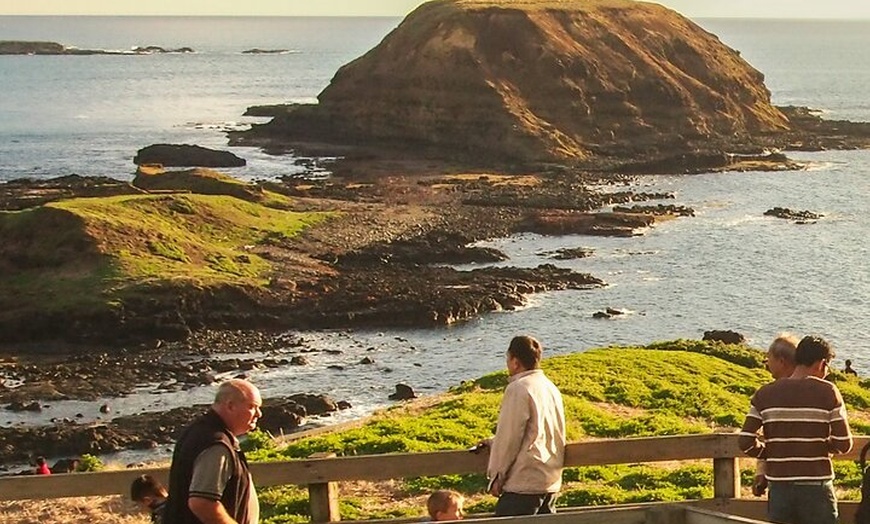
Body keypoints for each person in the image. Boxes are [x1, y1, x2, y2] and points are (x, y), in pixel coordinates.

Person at [738, 335, 853, 524]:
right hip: (816, 486)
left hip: (779, 487)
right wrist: (820, 447)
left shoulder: (764, 393)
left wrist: (771, 452)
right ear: (821, 363)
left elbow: (745, 441)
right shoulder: (828, 391)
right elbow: (844, 444)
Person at [480, 335, 566, 516]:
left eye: (508, 358)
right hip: (550, 479)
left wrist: (497, 476)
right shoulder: (550, 387)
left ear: (515, 361)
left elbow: (510, 436)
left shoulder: (518, 388)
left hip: (524, 481)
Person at [165, 378, 263, 524]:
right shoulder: (216, 444)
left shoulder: (199, 431)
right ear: (230, 406)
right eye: (252, 406)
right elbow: (202, 503)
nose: (259, 414)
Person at [752, 333, 799, 497]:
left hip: (779, 480)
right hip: (815, 479)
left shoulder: (766, 394)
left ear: (781, 361)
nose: (767, 363)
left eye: (769, 358)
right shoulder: (820, 391)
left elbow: (748, 439)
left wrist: (765, 460)